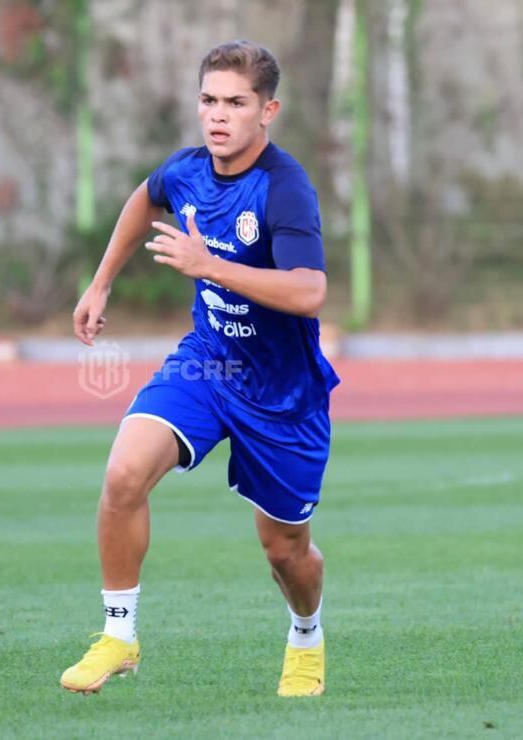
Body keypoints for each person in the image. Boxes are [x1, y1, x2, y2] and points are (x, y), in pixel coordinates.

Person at [62, 39, 339, 698]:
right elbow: (143, 198)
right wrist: (101, 283)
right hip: (208, 366)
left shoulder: (284, 188)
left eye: (236, 103)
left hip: (282, 393)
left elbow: (309, 292)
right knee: (124, 473)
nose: (218, 115)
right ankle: (119, 635)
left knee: (285, 552)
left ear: (267, 110)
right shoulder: (186, 170)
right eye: (209, 100)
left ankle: (306, 634)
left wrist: (209, 265)